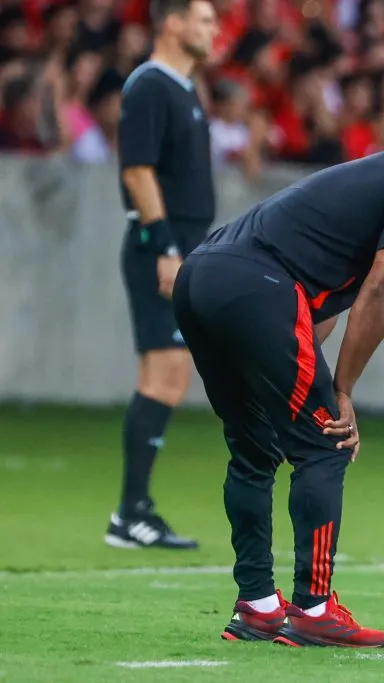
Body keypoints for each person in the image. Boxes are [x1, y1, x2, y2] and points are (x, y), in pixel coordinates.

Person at [171, 107, 384, 647]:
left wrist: (305, 381)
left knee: (255, 449)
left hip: (202, 275)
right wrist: (341, 393)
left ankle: (258, 605)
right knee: (326, 444)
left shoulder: (377, 175)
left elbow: (316, 313)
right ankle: (314, 609)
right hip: (258, 285)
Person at [104, 0, 217, 551]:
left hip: (183, 244)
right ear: (173, 22)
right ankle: (131, 513)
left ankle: (133, 512)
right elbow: (137, 170)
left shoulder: (185, 88)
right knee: (164, 372)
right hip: (160, 246)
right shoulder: (150, 85)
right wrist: (166, 247)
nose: (214, 30)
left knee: (170, 373)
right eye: (204, 19)